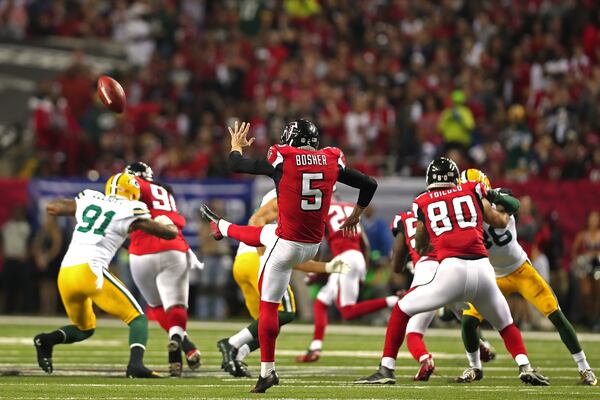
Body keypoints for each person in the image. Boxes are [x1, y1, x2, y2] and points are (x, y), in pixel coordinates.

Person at [200, 119, 377, 393]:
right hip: (313, 243)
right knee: (266, 235)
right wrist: (356, 214)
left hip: (287, 244)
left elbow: (236, 165)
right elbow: (369, 183)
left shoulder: (284, 157)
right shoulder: (331, 158)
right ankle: (222, 227)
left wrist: (236, 147)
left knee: (270, 306)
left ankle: (267, 372)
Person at [355, 157, 549, 386]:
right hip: (483, 270)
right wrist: (504, 214)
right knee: (505, 324)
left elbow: (419, 243)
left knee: (401, 309)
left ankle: (386, 369)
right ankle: (524, 365)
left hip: (451, 270)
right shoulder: (471, 188)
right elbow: (497, 221)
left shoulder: (422, 201)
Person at [456, 169, 596, 385]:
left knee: (555, 314)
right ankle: (475, 367)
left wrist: (490, 196)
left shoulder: (497, 199)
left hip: (520, 270)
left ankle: (584, 368)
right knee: (467, 322)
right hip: (491, 276)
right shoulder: (461, 212)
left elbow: (514, 205)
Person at [33, 173, 178, 378]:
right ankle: (135, 365)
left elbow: (52, 207)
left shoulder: (90, 198)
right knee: (138, 319)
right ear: (133, 192)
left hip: (66, 273)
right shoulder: (129, 208)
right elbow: (168, 234)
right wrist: (167, 222)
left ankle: (46, 340)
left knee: (84, 329)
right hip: (91, 271)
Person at [217, 188, 350, 378]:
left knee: (268, 326)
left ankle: (237, 354)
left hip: (243, 262)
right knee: (284, 312)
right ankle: (232, 344)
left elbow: (289, 256)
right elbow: (256, 223)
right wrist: (264, 258)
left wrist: (328, 267)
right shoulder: (293, 194)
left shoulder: (298, 196)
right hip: (256, 258)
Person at [296, 199, 399, 363]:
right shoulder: (349, 207)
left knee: (348, 312)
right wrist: (363, 267)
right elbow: (364, 242)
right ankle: (315, 348)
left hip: (344, 260)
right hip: (356, 257)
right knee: (321, 301)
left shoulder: (322, 210)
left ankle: (394, 300)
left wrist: (313, 270)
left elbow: (318, 245)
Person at [124, 161, 202, 377]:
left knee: (155, 305)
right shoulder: (165, 191)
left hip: (140, 251)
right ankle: (181, 342)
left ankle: (186, 345)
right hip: (173, 247)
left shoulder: (131, 185)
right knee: (176, 305)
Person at [571, 211, 600, 330]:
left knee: (597, 293)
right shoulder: (582, 235)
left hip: (598, 267)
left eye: (595, 219)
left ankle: (596, 318)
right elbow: (574, 251)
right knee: (586, 293)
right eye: (591, 218)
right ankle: (589, 318)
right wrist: (579, 261)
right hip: (585, 268)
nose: (593, 221)